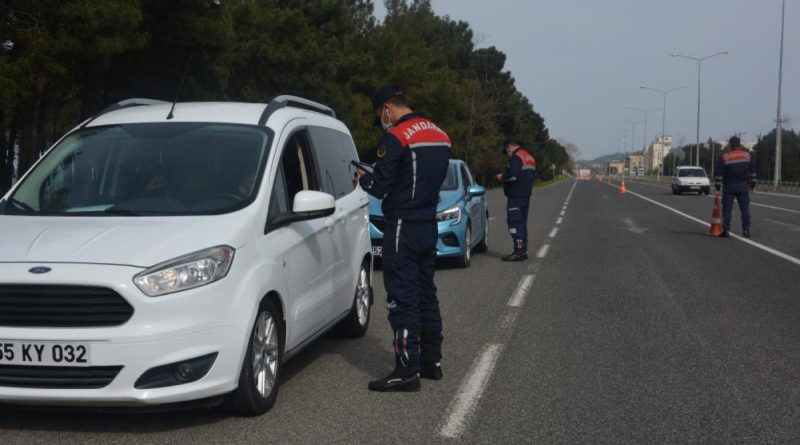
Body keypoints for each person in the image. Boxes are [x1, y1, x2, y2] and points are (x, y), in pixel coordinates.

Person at [355, 84, 451, 392]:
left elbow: (381, 186)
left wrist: (363, 178)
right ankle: (431, 362)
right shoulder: (440, 135)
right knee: (426, 294)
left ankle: (406, 371)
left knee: (402, 299)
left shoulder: (396, 137)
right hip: (428, 224)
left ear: (386, 108)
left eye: (379, 113)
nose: (380, 118)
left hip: (402, 227)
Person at [495, 138, 536, 261]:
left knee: (514, 223)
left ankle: (518, 251)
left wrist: (502, 177)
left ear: (509, 147)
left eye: (506, 149)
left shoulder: (516, 157)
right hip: (526, 195)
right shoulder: (529, 157)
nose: (507, 152)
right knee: (522, 223)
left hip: (515, 195)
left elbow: (512, 176)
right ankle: (523, 250)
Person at [714, 136, 757, 238]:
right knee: (745, 209)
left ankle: (726, 231)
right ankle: (746, 231)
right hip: (743, 186)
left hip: (729, 187)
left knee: (727, 210)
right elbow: (753, 173)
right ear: (739, 144)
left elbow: (718, 174)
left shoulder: (725, 157)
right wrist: (752, 185)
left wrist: (717, 188)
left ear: (730, 145)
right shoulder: (747, 155)